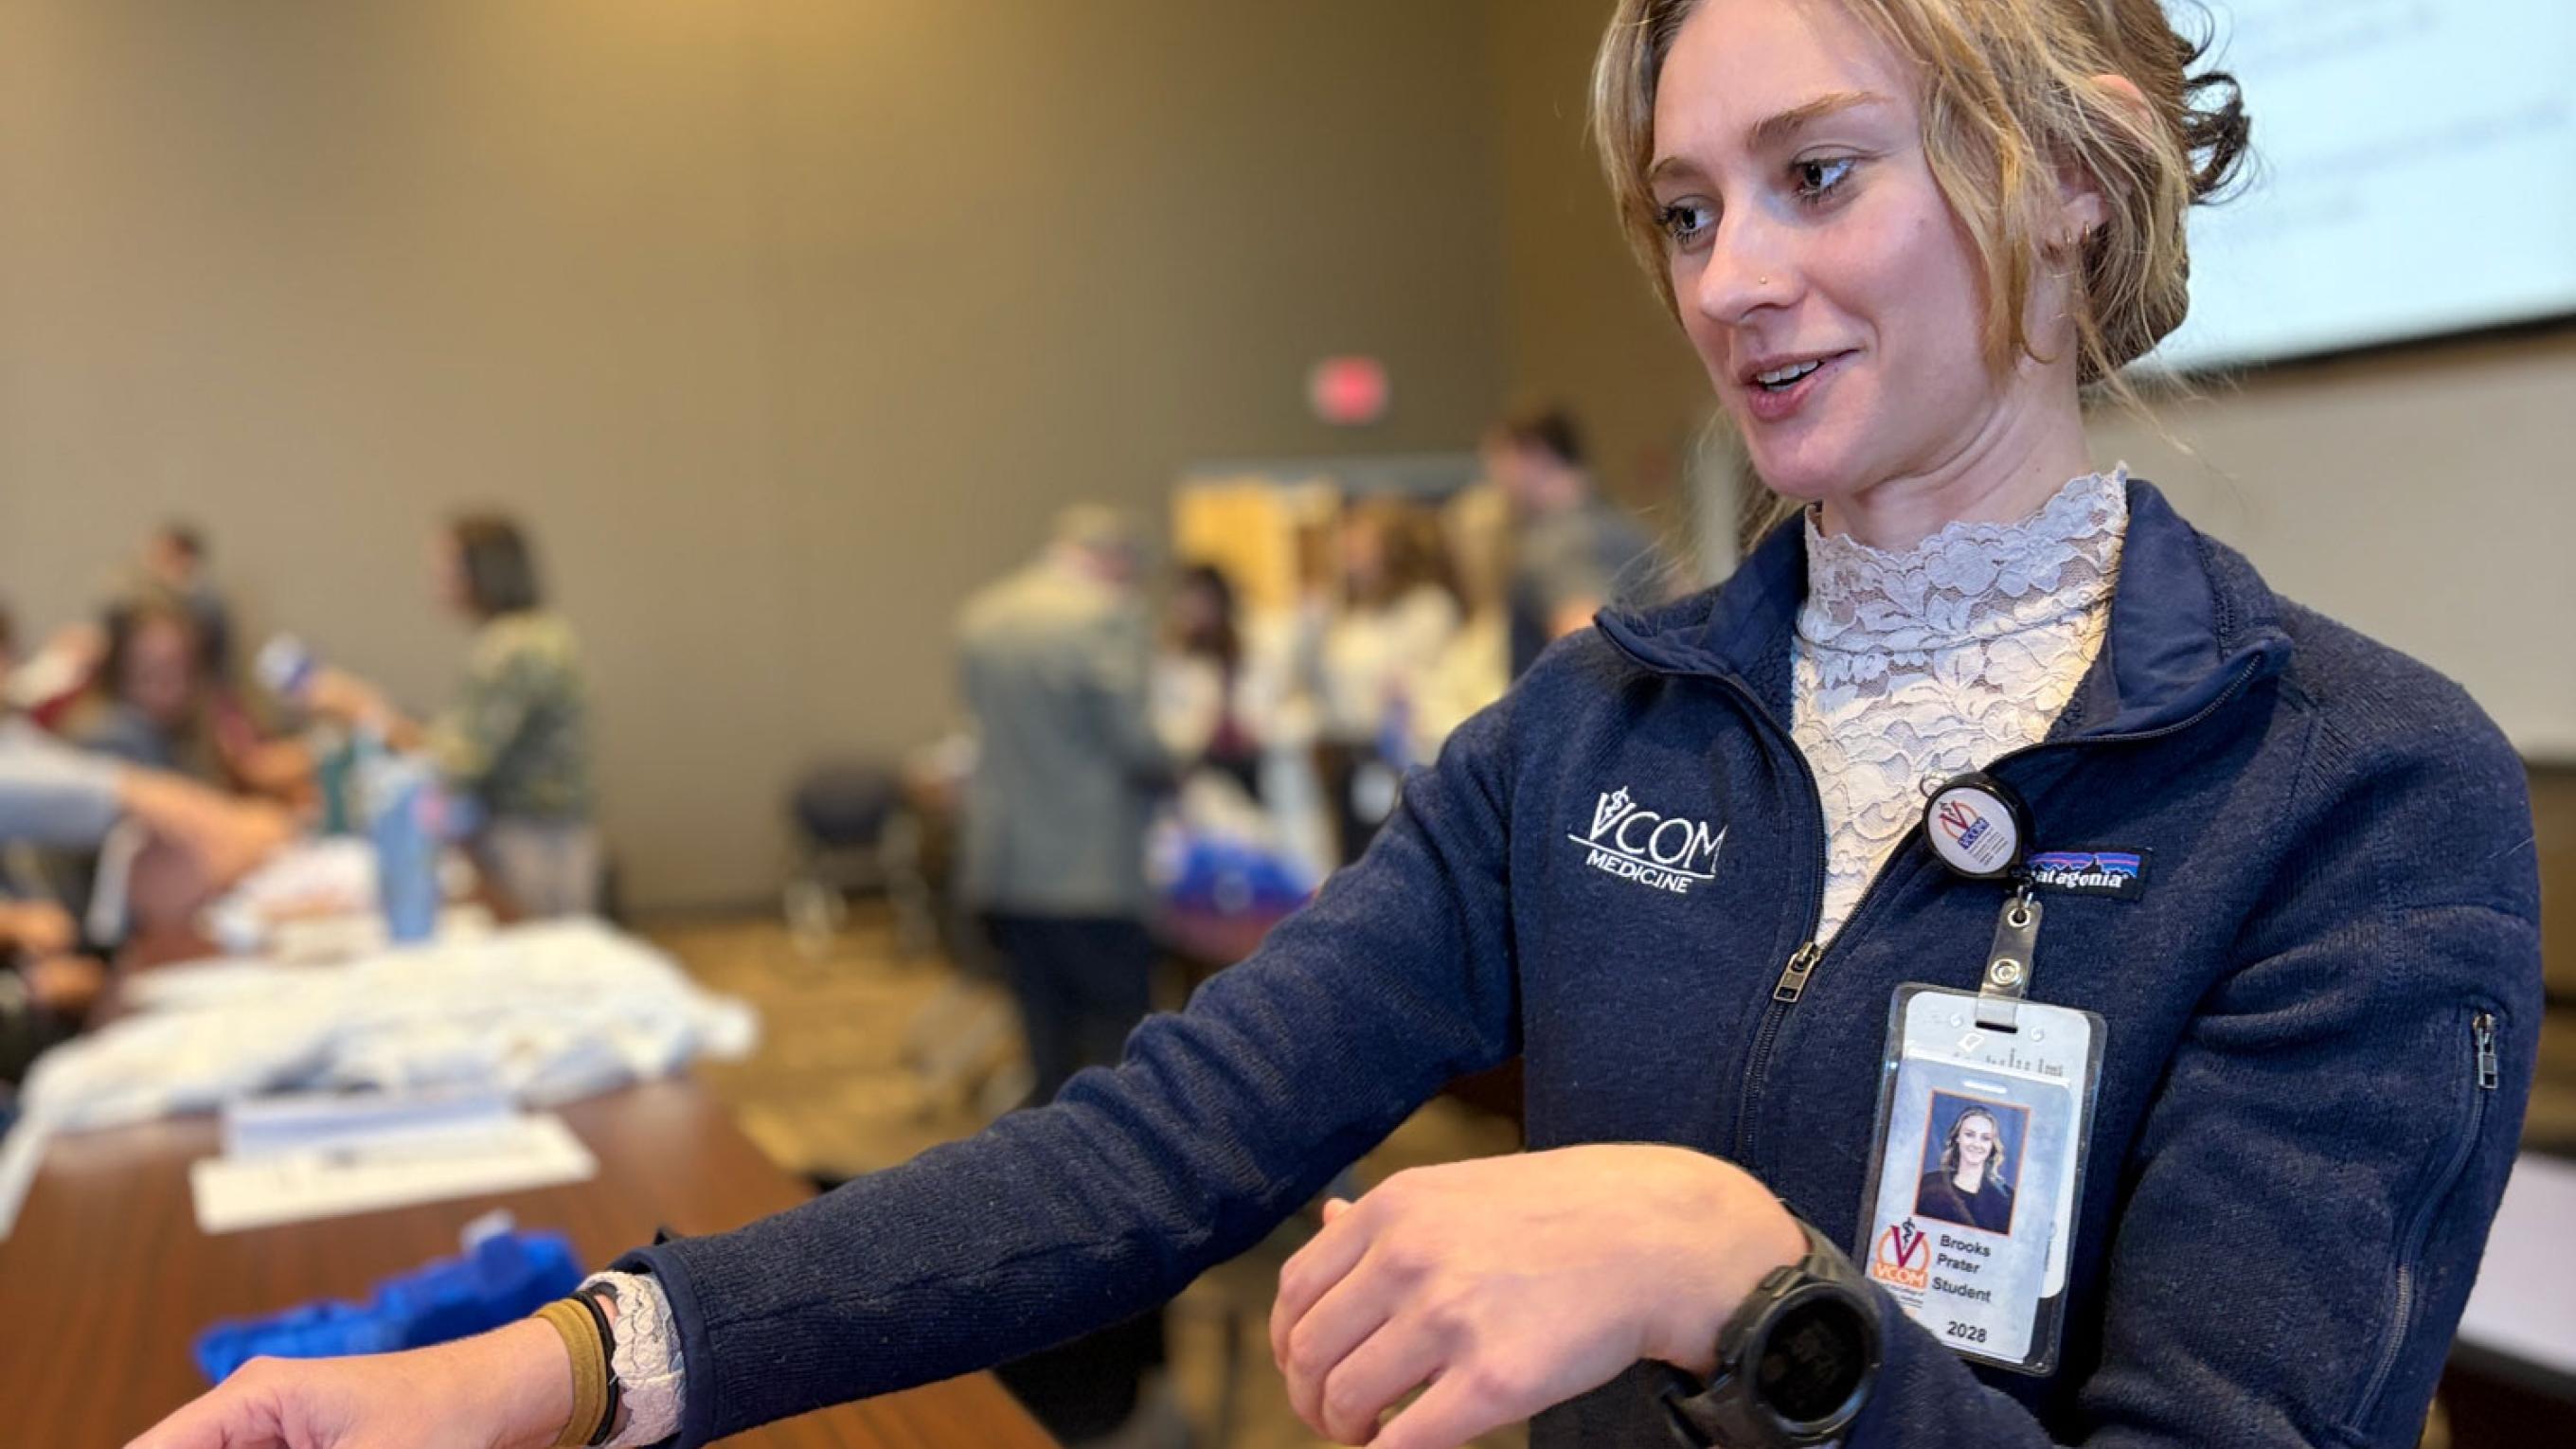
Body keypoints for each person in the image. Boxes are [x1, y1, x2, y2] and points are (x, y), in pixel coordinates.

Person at [134, 4, 2541, 1449]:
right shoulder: (1603, 727)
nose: (1734, 281)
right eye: (1685, 210)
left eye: (1815, 177)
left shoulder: (2341, 790)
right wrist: (554, 1366)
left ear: (2069, 170)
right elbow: (1144, 1151)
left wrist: (1733, 1276)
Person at [955, 505, 1182, 1444]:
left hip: (1006, 867)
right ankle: (1111, 1259)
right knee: (1120, 1077)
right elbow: (1137, 747)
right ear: (1117, 565)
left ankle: (1040, 1229)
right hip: (1089, 874)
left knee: (1046, 1065)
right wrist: (1187, 753)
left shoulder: (983, 615)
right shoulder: (1105, 619)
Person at [309, 514, 600, 918]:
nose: (436, 581)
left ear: (483, 571)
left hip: (532, 839)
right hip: (544, 832)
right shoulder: (536, 633)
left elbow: (454, 761)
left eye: (446, 569)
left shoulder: (513, 647)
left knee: (547, 962)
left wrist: (366, 711)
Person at [1489, 406, 1659, 677]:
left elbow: (1589, 644)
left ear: (1535, 454)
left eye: (1499, 460)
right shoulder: (1629, 528)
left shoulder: (1555, 541)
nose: (1495, 478)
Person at [1912, 1103, 2013, 1235]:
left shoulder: (2007, 1199)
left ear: (1992, 1145)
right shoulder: (1928, 1184)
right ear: (1958, 1137)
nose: (1976, 1144)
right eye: (1969, 1135)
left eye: (1985, 1138)